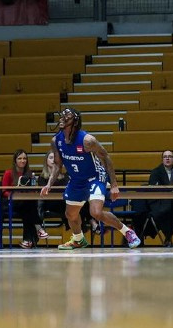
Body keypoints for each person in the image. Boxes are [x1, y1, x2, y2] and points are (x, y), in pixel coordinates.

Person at [40, 107, 141, 250]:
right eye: (61, 116)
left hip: (95, 177)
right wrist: (49, 184)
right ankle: (78, 239)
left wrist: (113, 184)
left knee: (96, 212)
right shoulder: (56, 140)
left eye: (66, 117)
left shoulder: (88, 140)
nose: (62, 119)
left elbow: (105, 157)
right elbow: (57, 164)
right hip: (76, 179)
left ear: (75, 121)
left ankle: (127, 232)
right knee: (70, 214)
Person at [3, 149, 47, 248]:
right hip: (13, 202)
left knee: (27, 207)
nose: (22, 161)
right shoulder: (8, 173)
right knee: (29, 205)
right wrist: (13, 195)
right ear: (15, 160)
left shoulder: (29, 173)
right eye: (20, 158)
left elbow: (32, 191)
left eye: (24, 158)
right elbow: (4, 191)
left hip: (25, 203)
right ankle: (38, 227)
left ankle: (27, 241)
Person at [144, 149, 173, 245]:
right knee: (168, 209)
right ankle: (168, 237)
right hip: (158, 202)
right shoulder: (156, 172)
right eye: (165, 156)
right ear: (162, 160)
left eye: (170, 156)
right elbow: (154, 190)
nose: (167, 158)